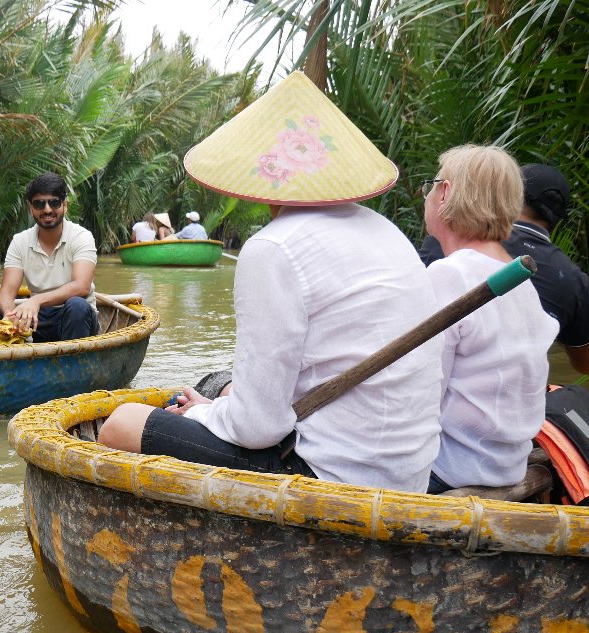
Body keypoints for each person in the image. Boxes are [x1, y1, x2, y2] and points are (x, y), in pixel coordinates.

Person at [97, 71, 444, 492]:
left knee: (121, 423)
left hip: (334, 477)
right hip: (408, 473)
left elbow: (258, 428)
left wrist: (198, 416)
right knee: (218, 388)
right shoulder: (387, 231)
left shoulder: (273, 247)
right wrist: (219, 407)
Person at [417, 164, 589, 394]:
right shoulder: (572, 280)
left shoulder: (455, 237)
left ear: (507, 197)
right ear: (559, 218)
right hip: (514, 403)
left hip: (437, 390)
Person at [421, 145, 559, 493]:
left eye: (431, 185)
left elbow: (420, 392)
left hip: (451, 468)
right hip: (504, 465)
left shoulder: (450, 275)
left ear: (445, 194)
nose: (427, 194)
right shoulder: (518, 280)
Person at [0, 172, 98, 342]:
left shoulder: (81, 236)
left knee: (77, 305)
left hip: (77, 318)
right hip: (38, 318)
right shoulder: (20, 242)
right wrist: (9, 315)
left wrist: (37, 300)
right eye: (39, 204)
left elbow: (81, 287)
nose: (47, 209)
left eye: (54, 203)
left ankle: (72, 365)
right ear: (31, 207)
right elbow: (6, 292)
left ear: (64, 205)